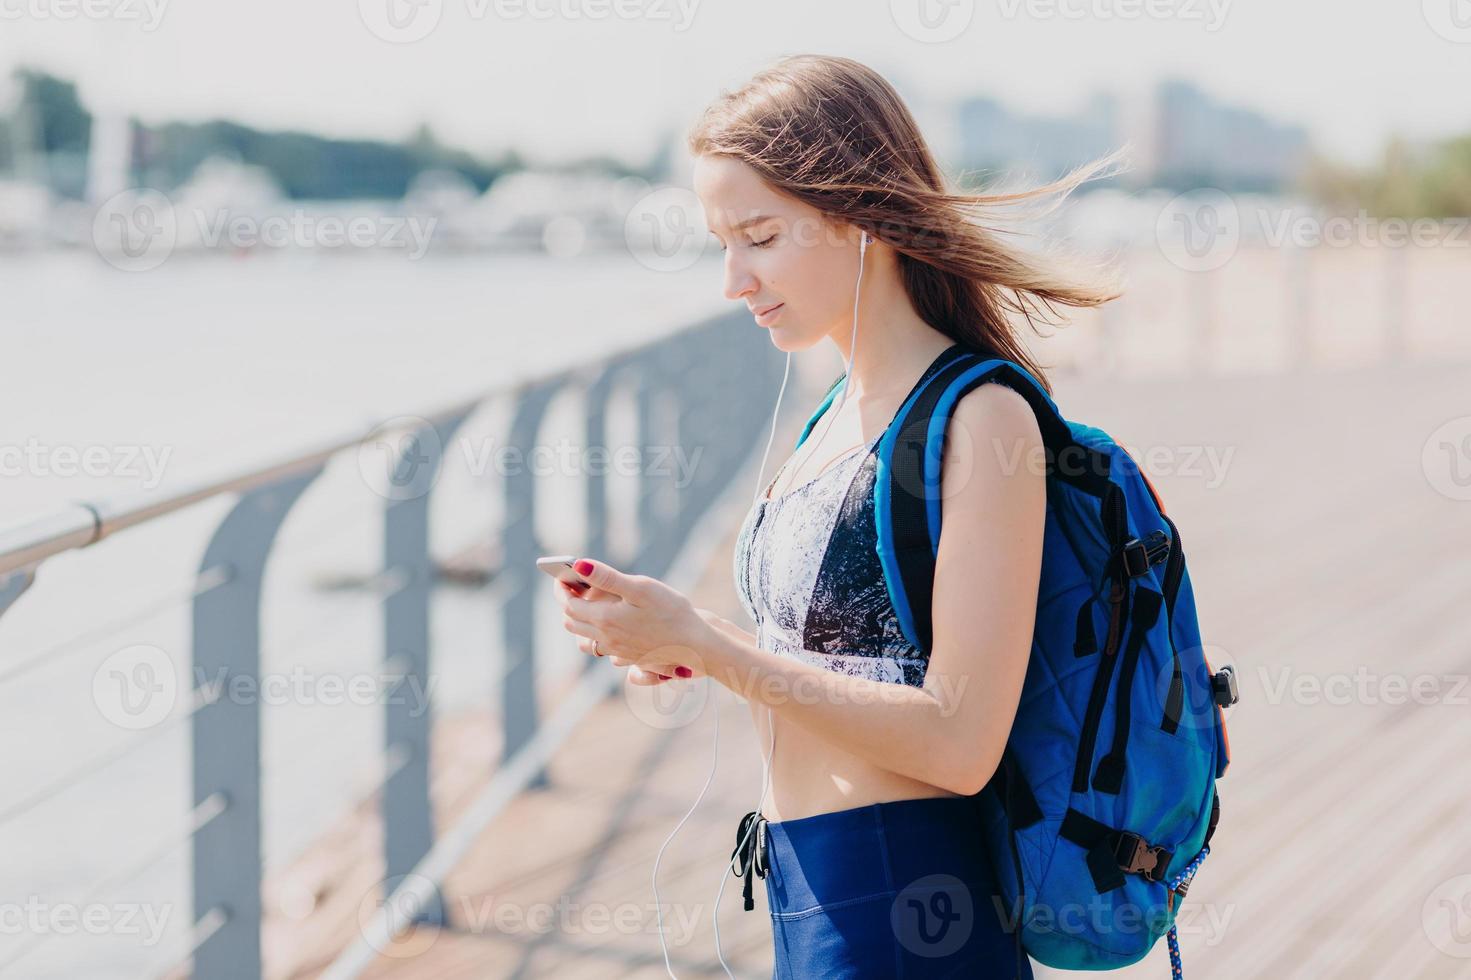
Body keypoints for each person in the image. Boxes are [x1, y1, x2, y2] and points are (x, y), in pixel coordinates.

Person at [556, 53, 1122, 979]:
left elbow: (957, 740)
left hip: (910, 907)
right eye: (721, 242)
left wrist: (717, 647)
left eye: (762, 236)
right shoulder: (833, 412)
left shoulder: (979, 419)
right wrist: (675, 644)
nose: (733, 278)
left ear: (863, 219)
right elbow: (840, 657)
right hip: (806, 888)